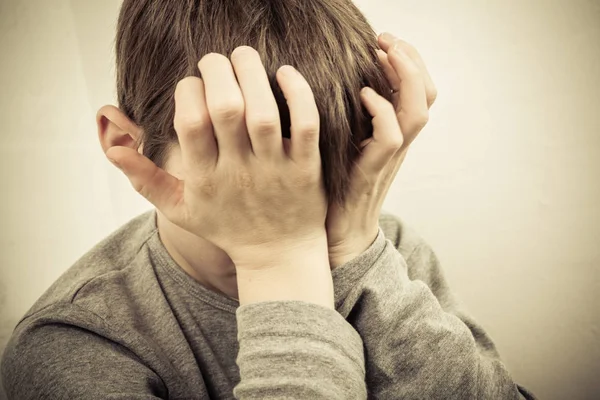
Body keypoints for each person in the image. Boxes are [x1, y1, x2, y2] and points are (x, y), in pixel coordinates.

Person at [0, 0, 537, 399]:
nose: (297, 201)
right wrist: (275, 259)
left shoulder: (383, 245)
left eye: (324, 158)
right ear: (130, 147)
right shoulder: (73, 346)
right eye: (239, 154)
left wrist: (358, 252)